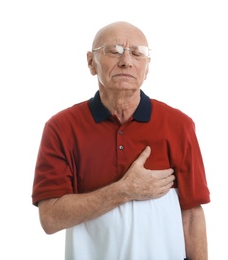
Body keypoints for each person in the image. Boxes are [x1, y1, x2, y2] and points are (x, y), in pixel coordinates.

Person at [32, 21, 210, 260]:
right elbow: (50, 219)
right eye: (113, 51)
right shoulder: (61, 128)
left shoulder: (179, 125)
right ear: (90, 62)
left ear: (146, 68)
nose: (126, 61)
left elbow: (191, 215)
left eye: (137, 53)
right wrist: (124, 190)